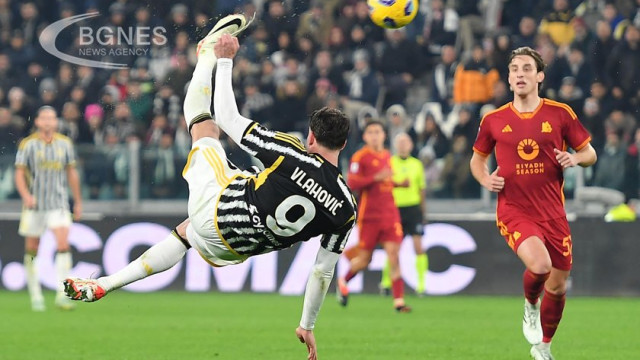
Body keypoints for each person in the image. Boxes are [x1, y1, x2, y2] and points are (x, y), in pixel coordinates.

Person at [63, 15, 356, 360]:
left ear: (311, 137)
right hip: (233, 251)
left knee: (204, 126)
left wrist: (225, 60)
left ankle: (203, 53)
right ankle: (104, 284)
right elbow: (322, 270)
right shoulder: (347, 209)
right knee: (186, 233)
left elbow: (229, 119)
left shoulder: (291, 151)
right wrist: (307, 324)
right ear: (345, 143)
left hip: (218, 209)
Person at [470, 46, 597, 360]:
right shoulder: (493, 119)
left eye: (527, 68)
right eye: (514, 69)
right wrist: (486, 180)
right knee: (540, 266)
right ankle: (530, 305)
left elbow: (590, 153)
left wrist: (575, 157)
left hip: (553, 212)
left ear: (539, 76)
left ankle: (543, 347)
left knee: (558, 286)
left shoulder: (560, 113)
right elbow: (477, 161)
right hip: (514, 209)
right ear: (510, 80)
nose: (519, 74)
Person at [337, 120, 411, 313]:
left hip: (390, 214)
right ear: (365, 136)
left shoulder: (387, 155)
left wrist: (398, 184)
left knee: (394, 256)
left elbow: (385, 182)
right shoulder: (360, 157)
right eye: (370, 132)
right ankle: (343, 281)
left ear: (384, 135)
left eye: (378, 131)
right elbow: (352, 183)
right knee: (365, 260)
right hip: (369, 216)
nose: (374, 135)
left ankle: (399, 302)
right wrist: (375, 178)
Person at [14, 106, 82, 311]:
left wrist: (77, 201)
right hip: (35, 205)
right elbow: (19, 173)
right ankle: (36, 295)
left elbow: (71, 173)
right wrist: (26, 195)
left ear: (56, 122)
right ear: (37, 121)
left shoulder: (65, 144)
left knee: (63, 244)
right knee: (32, 249)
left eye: (51, 118)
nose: (48, 121)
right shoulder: (28, 145)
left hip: (58, 204)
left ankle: (63, 294)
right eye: (44, 118)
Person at [380, 133, 428, 295]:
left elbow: (421, 189)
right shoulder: (389, 162)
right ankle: (386, 283)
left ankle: (421, 285)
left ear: (411, 145)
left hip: (413, 209)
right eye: (399, 142)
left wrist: (423, 212)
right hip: (395, 209)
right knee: (393, 249)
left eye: (405, 142)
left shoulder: (417, 164)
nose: (402, 145)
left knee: (418, 247)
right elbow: (384, 186)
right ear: (395, 145)